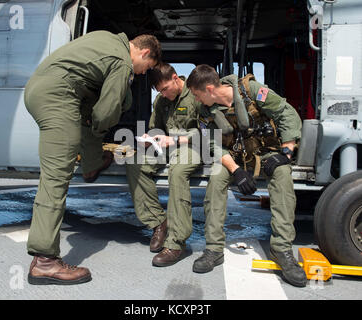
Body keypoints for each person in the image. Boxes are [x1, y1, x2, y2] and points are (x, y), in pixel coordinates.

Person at [25, 30, 161, 285]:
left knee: (88, 116)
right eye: (146, 67)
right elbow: (107, 111)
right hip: (57, 97)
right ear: (143, 52)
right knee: (55, 179)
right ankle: (45, 262)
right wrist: (100, 131)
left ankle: (91, 166)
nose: (142, 73)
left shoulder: (106, 38)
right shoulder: (123, 62)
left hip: (41, 88)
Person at [186, 64, 307, 287]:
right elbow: (213, 144)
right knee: (216, 179)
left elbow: (285, 113)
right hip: (233, 157)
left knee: (282, 175)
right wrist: (236, 171)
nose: (196, 100)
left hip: (265, 152)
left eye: (197, 94)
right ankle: (213, 249)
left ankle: (281, 249)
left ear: (210, 89)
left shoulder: (251, 91)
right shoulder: (206, 111)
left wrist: (286, 152)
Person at [125, 63, 202, 266]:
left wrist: (176, 139)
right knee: (134, 162)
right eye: (160, 91)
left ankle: (176, 242)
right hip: (166, 146)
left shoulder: (196, 94)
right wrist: (150, 137)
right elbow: (156, 127)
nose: (164, 94)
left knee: (177, 172)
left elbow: (205, 132)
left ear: (176, 78)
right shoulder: (161, 100)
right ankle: (158, 221)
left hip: (193, 146)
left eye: (166, 89)